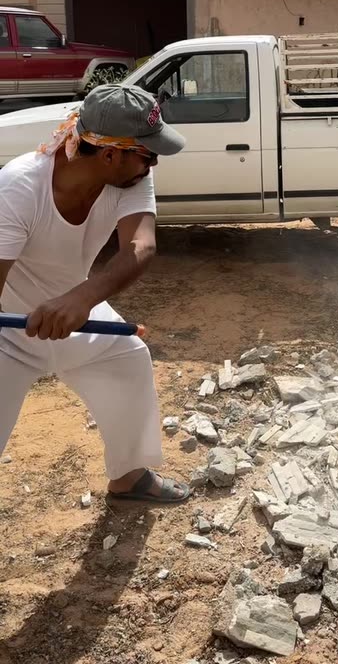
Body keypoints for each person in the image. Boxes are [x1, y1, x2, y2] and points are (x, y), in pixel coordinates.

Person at [0, 84, 190, 503]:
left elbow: (141, 246)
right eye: (147, 153)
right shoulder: (20, 186)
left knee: (127, 360)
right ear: (109, 155)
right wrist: (52, 309)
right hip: (8, 329)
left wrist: (81, 299)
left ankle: (128, 478)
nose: (154, 162)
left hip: (75, 311)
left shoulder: (130, 177)